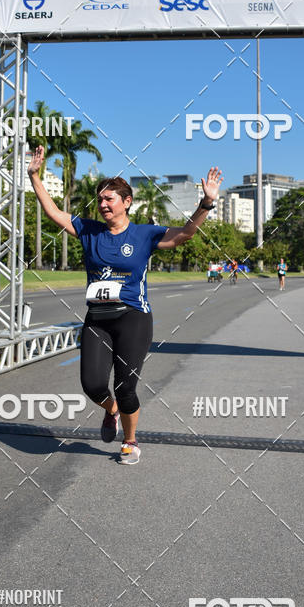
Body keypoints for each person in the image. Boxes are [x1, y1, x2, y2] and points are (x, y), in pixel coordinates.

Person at [28, 146, 222, 465]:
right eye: (100, 200)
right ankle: (112, 410)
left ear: (126, 202)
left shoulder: (144, 234)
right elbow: (53, 212)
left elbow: (186, 233)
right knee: (93, 385)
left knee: (125, 386)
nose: (103, 205)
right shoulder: (89, 231)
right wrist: (35, 177)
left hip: (133, 318)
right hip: (97, 319)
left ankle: (130, 441)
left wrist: (207, 202)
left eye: (109, 199)